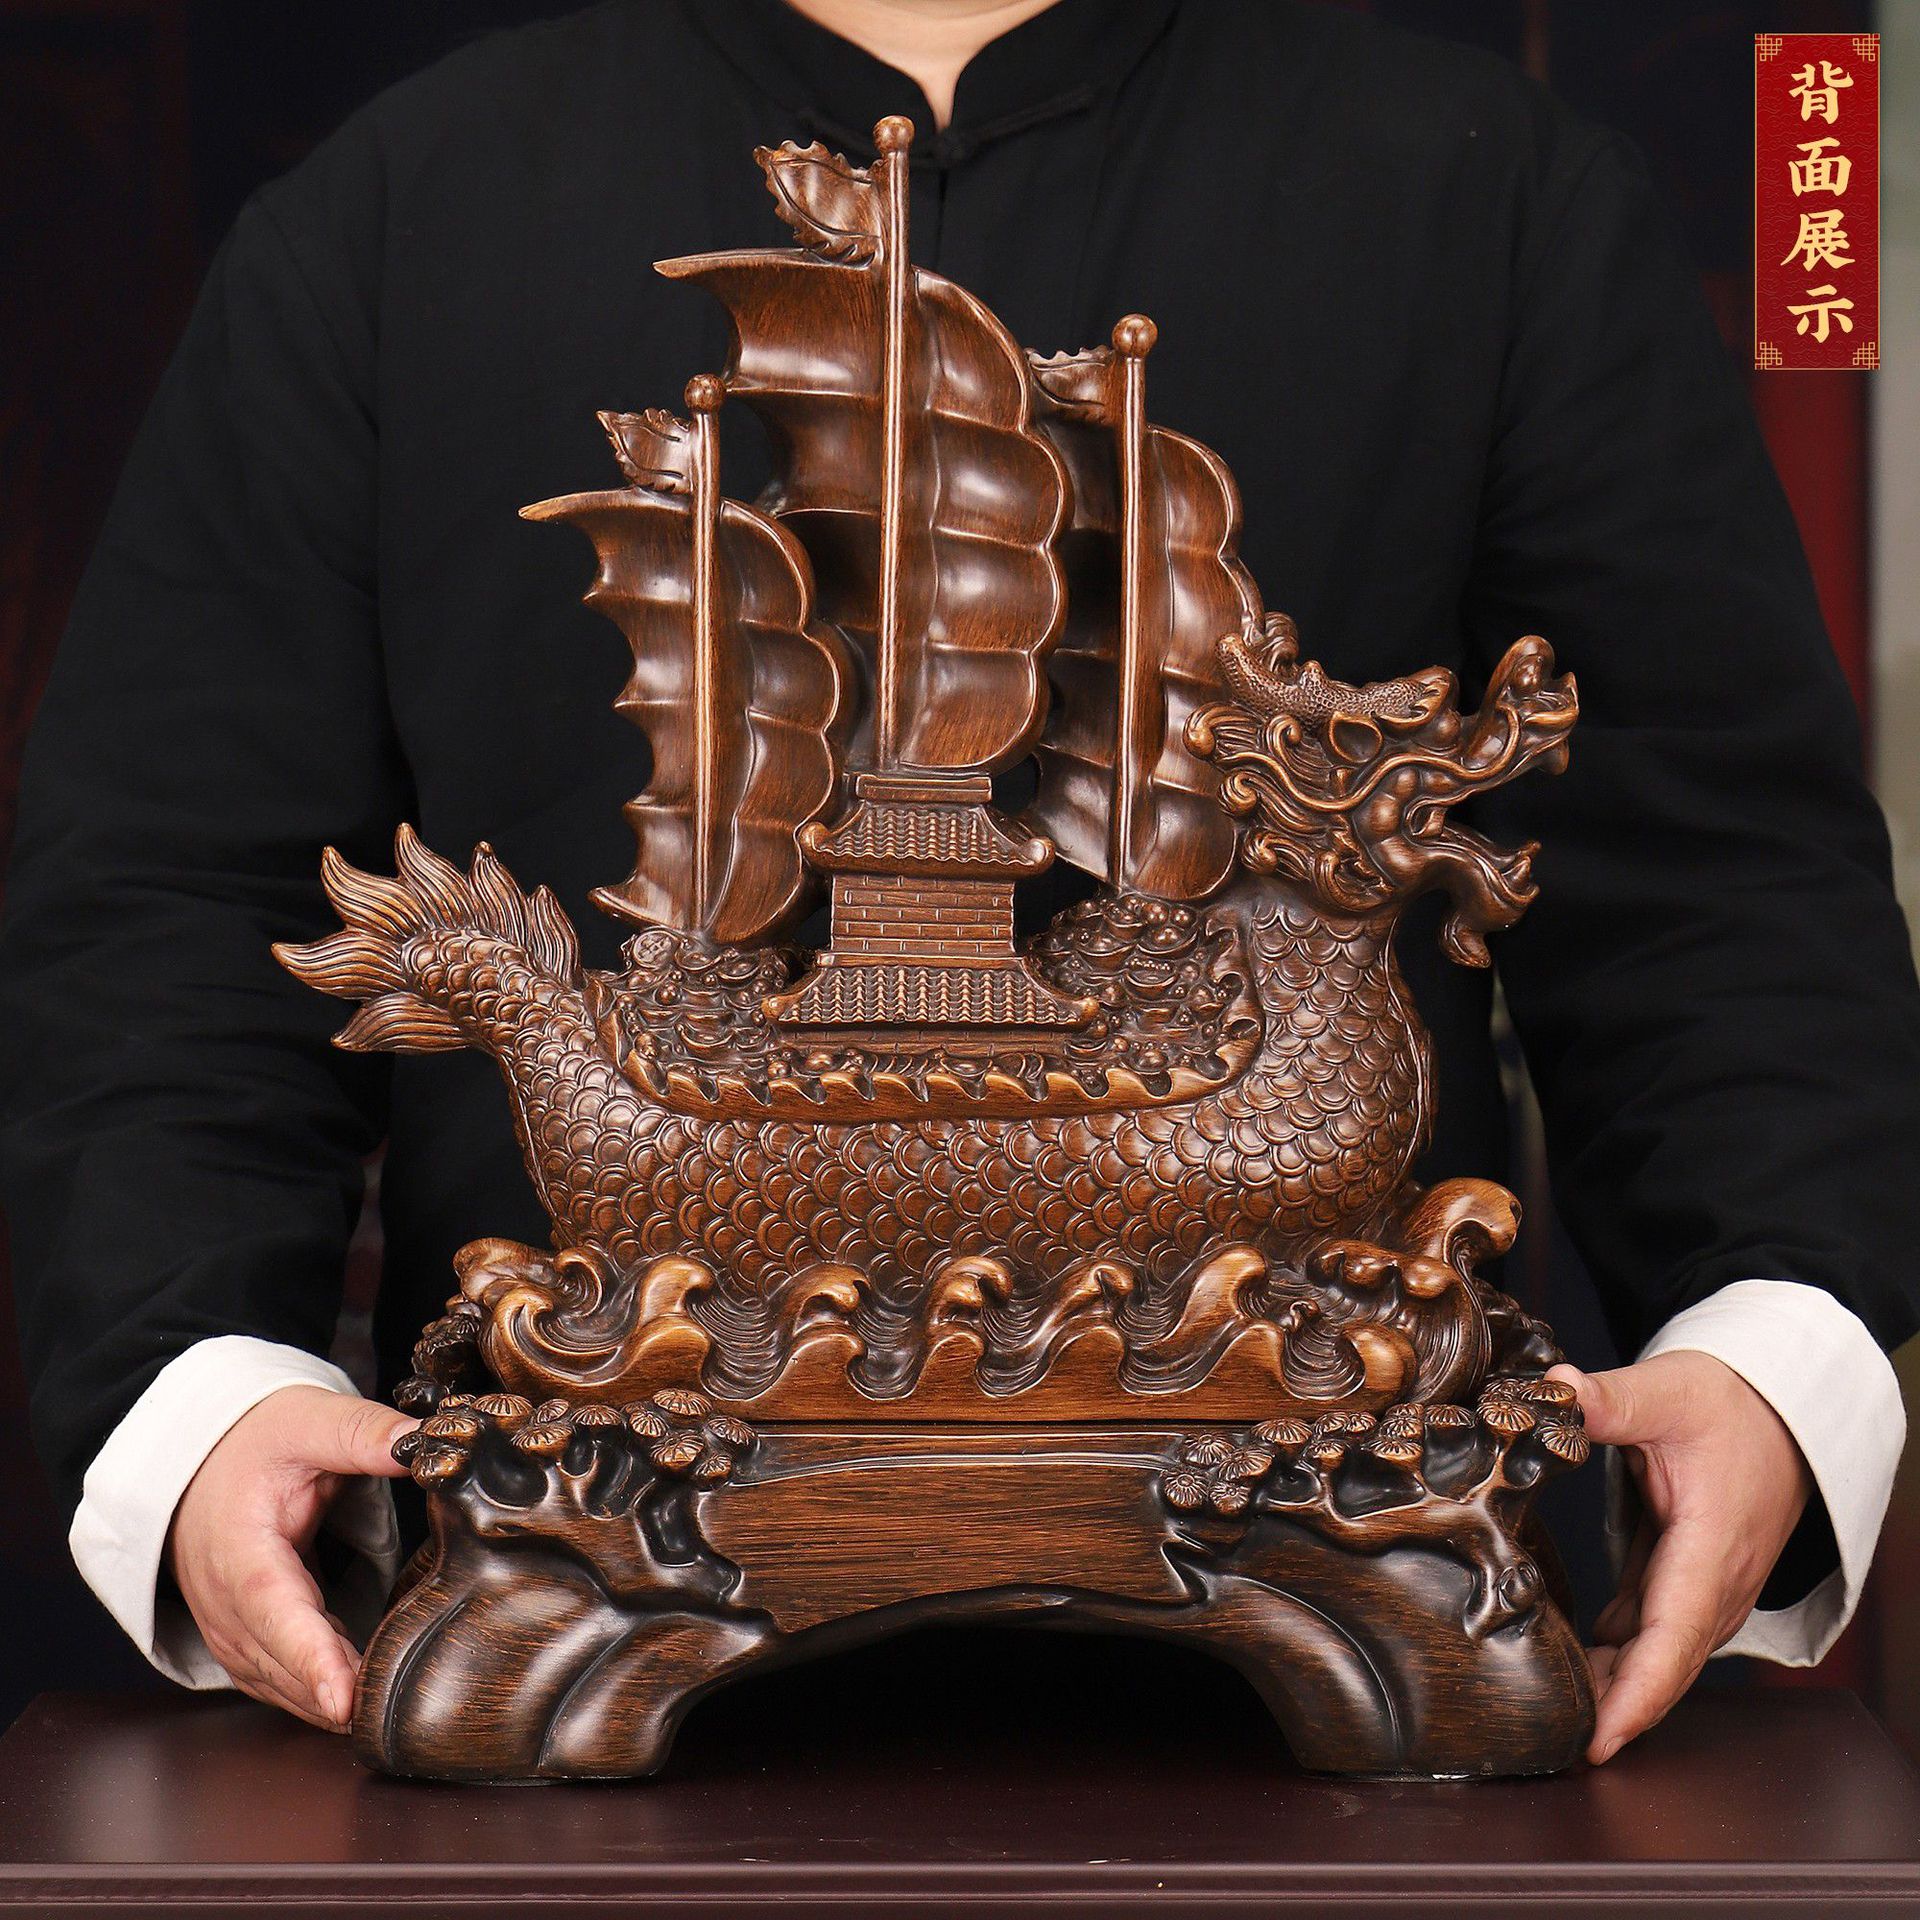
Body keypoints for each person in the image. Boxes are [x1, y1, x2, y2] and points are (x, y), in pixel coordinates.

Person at [2, 0, 1916, 1769]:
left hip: (1377, 1724)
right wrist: (195, 1395)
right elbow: (175, 889)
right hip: (547, 1704)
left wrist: (1772, 1346)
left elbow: (1713, 868)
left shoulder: (1483, 194)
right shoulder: (404, 211)